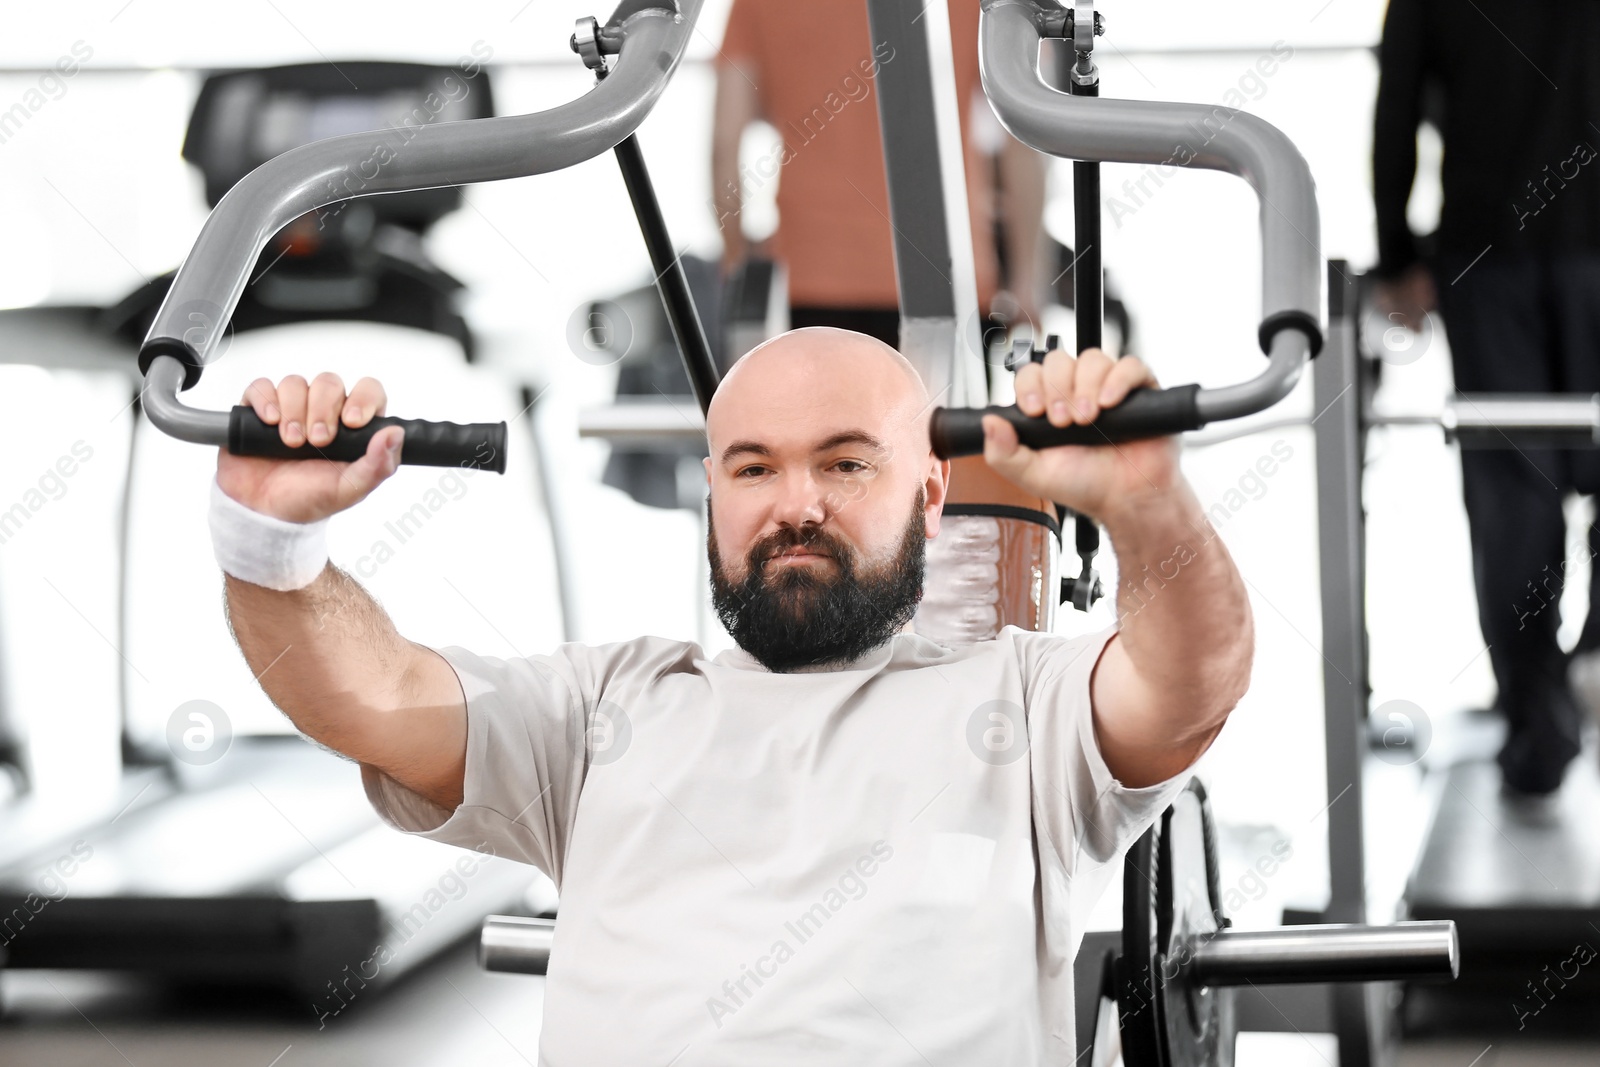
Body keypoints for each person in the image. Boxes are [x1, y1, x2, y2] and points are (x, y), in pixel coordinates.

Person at [209, 328, 1252, 1061]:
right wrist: (268, 541)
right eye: (752, 469)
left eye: (845, 463)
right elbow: (371, 695)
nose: (794, 503)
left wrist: (1148, 504)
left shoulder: (1024, 703)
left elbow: (1187, 683)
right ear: (712, 491)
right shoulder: (603, 707)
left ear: (930, 492)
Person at [1372, 0, 1600, 795]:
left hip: (1489, 249)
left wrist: (1396, 253)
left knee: (1513, 498)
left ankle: (1540, 725)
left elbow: (1397, 96)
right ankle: (1583, 670)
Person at [711, 0, 1047, 349]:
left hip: (813, 278)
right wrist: (1026, 280)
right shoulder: (980, 4)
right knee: (946, 406)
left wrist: (737, 262)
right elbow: (1023, 140)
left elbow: (725, 143)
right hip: (944, 276)